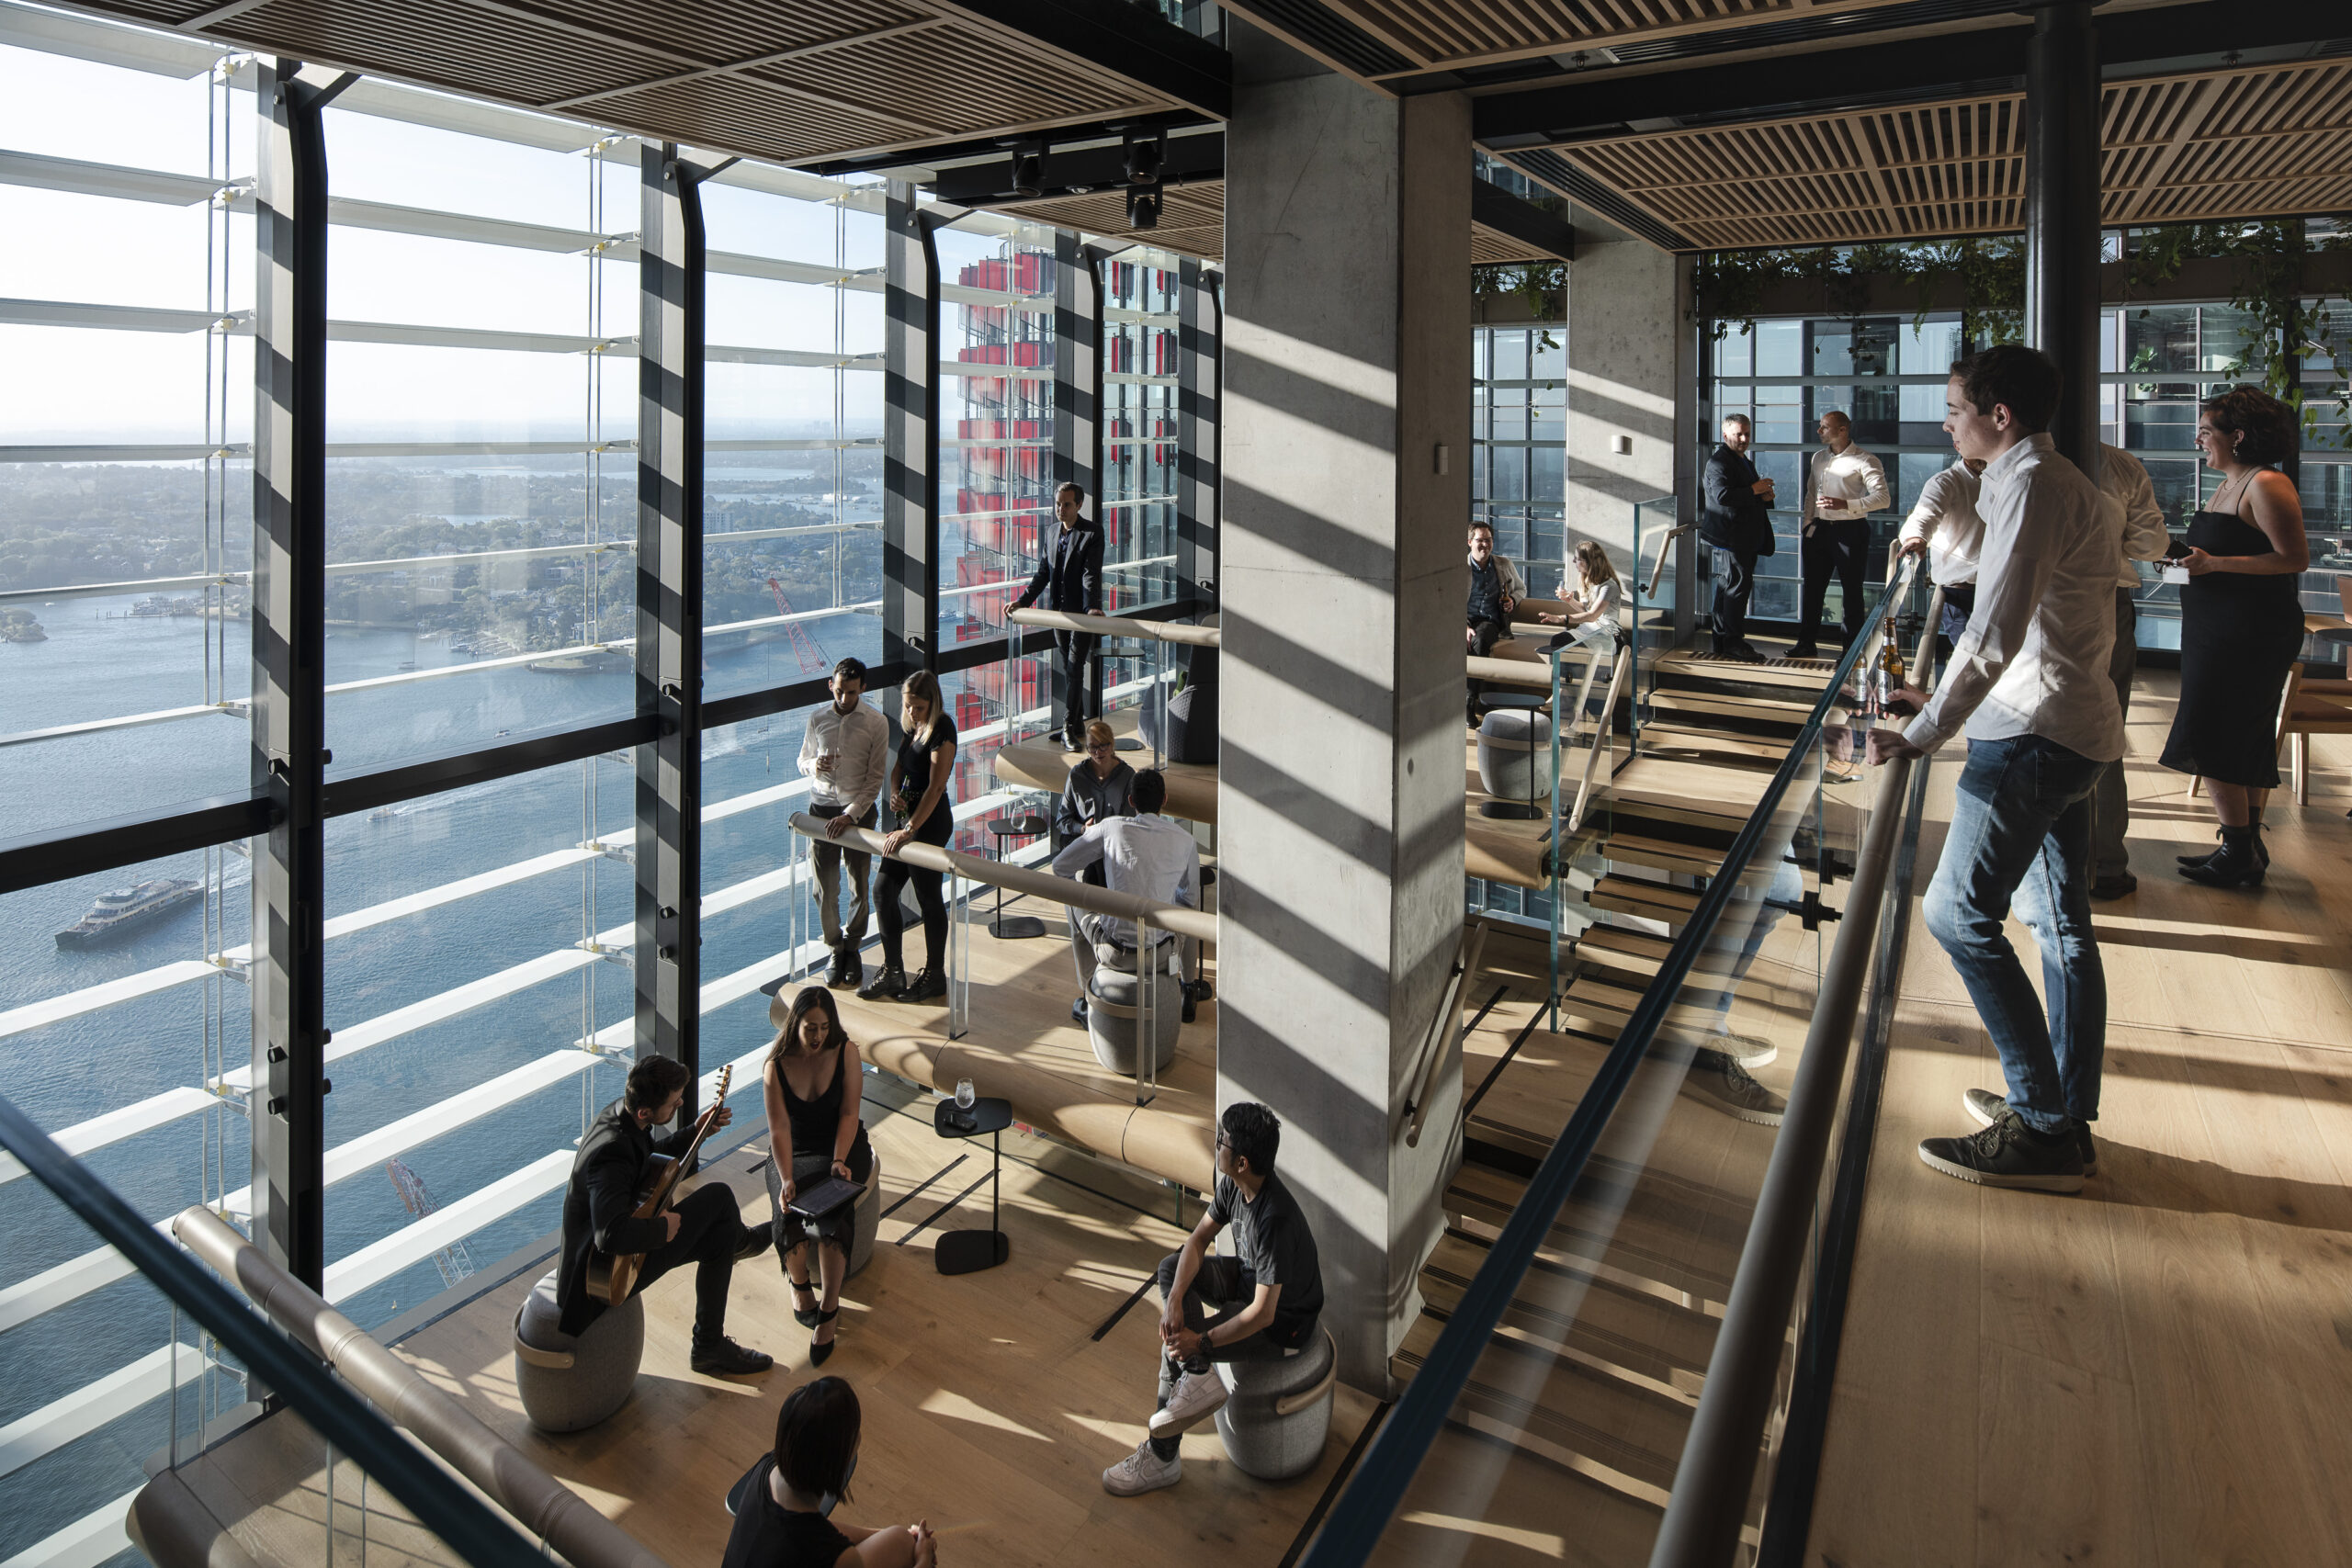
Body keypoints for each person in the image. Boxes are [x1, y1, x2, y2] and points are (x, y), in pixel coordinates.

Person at [1863, 345, 2121, 1194]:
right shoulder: (2041, 482)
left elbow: (1996, 629)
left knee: (1955, 913)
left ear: (1997, 416)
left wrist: (1925, 729)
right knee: (2059, 926)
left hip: (2034, 736)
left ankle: (2042, 1125)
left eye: (1954, 407)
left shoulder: (2033, 486)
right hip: (2069, 728)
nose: (1946, 421)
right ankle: (2060, 1112)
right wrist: (1928, 696)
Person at [1101, 1102, 1323, 1498]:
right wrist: (1174, 1301)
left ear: (1240, 1161)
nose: (1214, 1142)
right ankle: (1198, 1375)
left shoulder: (1275, 1219)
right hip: (1247, 1280)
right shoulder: (1233, 1185)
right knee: (1171, 1269)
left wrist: (1199, 1341)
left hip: (1284, 1322)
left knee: (1184, 1343)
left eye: (1220, 1139)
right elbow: (1198, 1240)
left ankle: (1161, 1457)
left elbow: (1262, 1313)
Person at [2161, 386, 2311, 888]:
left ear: (2238, 436)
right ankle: (2243, 847)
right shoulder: (2231, 481)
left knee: (2213, 731)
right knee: (2232, 733)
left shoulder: (2267, 484)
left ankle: (2239, 849)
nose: (2198, 439)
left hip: (2249, 632)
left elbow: (2293, 558)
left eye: (2206, 431)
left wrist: (2214, 562)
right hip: (2218, 628)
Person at [556, 1055, 774, 1375]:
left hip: (610, 1258)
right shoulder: (611, 1153)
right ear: (645, 1111)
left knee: (719, 1235)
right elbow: (609, 1235)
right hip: (601, 1276)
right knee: (720, 1199)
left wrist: (695, 1132)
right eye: (673, 1103)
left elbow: (645, 1165)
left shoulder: (623, 1115)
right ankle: (741, 1251)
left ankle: (710, 1342)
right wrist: (662, 1229)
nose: (680, 1103)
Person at [763, 987, 875, 1368]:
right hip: (795, 1150)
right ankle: (799, 1286)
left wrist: (840, 1160)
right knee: (787, 1210)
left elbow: (848, 1113)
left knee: (833, 1213)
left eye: (825, 1028)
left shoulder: (847, 1053)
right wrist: (787, 1176)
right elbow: (778, 1129)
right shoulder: (775, 1066)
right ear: (796, 1024)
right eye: (811, 1028)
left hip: (840, 1146)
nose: (818, 1036)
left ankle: (829, 1305)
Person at [719, 1377, 937, 1568]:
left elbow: (815, 1530)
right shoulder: (840, 1560)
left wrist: (882, 1534)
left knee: (899, 1539)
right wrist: (923, 1560)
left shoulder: (768, 1467)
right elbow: (818, 1539)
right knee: (903, 1548)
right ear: (842, 1457)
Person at [1052, 768, 1209, 1024]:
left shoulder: (1111, 827)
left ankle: (1086, 990)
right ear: (1165, 800)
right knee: (1190, 907)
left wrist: (1091, 900)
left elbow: (1061, 867)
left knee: (1074, 893)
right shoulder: (1186, 840)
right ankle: (1188, 986)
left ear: (1131, 801)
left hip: (1113, 951)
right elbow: (1189, 898)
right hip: (1161, 953)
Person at [2087, 445, 2174, 899]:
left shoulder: (2006, 461)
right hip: (2107, 598)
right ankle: (2103, 864)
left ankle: (2044, 866)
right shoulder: (2120, 464)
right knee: (2106, 729)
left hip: (2032, 601)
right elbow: (2150, 545)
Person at [858, 671, 957, 1005]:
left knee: (928, 897)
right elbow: (899, 767)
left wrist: (909, 828)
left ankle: (934, 975)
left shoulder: (942, 728)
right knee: (883, 890)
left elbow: (936, 787)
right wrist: (895, 792)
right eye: (908, 705)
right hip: (908, 822)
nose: (912, 712)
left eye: (918, 706)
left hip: (928, 824)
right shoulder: (913, 726)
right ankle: (894, 970)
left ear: (933, 702)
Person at [801, 658, 891, 990]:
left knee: (858, 885)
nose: (843, 698)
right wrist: (814, 766)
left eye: (851, 692)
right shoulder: (817, 718)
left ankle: (853, 947)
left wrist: (850, 815)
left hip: (858, 814)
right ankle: (835, 948)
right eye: (839, 691)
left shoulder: (876, 722)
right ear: (831, 685)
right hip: (821, 809)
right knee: (823, 889)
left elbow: (875, 780)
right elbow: (802, 759)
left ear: (863, 688)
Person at [1009, 481, 1103, 751]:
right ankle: (1077, 725)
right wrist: (1023, 601)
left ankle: (1066, 728)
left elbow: (1091, 573)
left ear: (1079, 505)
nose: (1060, 509)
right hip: (1056, 614)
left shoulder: (1092, 532)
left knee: (1075, 668)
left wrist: (1092, 607)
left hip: (1081, 615)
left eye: (1067, 504)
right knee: (1069, 668)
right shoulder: (1050, 531)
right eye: (1058, 504)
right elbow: (1042, 574)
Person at [1791, 410, 1889, 660]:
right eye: (1820, 426)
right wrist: (1808, 524)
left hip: (1850, 531)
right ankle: (1806, 644)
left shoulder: (1866, 460)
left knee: (1852, 592)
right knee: (1812, 589)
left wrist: (1846, 504)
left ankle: (1850, 651)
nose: (1819, 431)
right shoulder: (1818, 458)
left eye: (1824, 427)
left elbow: (1883, 499)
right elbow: (1811, 493)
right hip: (1819, 530)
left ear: (1843, 430)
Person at [1698, 412, 1777, 660]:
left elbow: (1743, 493)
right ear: (1725, 435)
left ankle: (1723, 639)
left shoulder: (1742, 460)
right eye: (1738, 434)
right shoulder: (1719, 462)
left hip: (1742, 536)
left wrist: (1763, 495)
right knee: (1736, 588)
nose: (1744, 439)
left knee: (1729, 586)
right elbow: (1722, 496)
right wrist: (1754, 489)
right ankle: (1733, 643)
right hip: (1733, 537)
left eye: (1747, 434)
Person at [1894, 454, 1987, 653]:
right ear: (1960, 448)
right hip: (1960, 593)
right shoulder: (1946, 481)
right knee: (1971, 659)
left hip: (1996, 589)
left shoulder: (2003, 481)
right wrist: (1916, 538)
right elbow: (1923, 516)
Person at [1055, 718, 1136, 882]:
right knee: (1094, 868)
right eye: (1092, 747)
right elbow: (1062, 820)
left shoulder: (1127, 775)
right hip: (1085, 838)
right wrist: (1083, 828)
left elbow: (1130, 821)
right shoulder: (1077, 775)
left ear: (1112, 745)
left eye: (1103, 746)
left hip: (1113, 841)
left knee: (1100, 869)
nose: (1098, 752)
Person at [1464, 520, 1529, 727]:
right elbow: (1446, 599)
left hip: (1490, 621)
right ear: (1470, 542)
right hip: (1464, 619)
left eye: (1488, 540)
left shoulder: (1504, 564)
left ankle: (1468, 703)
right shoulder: (1458, 567)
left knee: (1480, 640)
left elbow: (1522, 589)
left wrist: (1513, 600)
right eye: (1480, 540)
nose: (1485, 545)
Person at [1535, 539, 1623, 657]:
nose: (1573, 561)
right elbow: (1586, 610)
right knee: (1558, 641)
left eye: (1577, 558)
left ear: (1589, 562)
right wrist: (1570, 600)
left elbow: (1592, 616)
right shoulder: (1585, 581)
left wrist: (1560, 618)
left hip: (1607, 634)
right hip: (1589, 629)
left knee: (1559, 642)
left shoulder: (1609, 586)